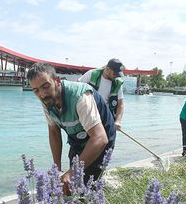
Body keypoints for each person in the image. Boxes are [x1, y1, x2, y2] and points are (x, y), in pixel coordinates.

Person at [27, 62, 116, 190]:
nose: (42, 94)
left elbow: (100, 138)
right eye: (36, 90)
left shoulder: (80, 97)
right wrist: (57, 169)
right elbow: (54, 131)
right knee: (67, 184)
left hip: (101, 137)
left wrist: (71, 172)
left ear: (57, 80)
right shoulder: (47, 100)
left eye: (46, 86)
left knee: (86, 185)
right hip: (77, 137)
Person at [78, 58, 125, 131]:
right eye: (115, 73)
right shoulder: (91, 74)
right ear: (107, 69)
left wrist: (118, 121)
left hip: (106, 117)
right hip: (88, 115)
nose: (116, 76)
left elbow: (120, 104)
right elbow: (76, 90)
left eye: (118, 75)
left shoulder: (118, 83)